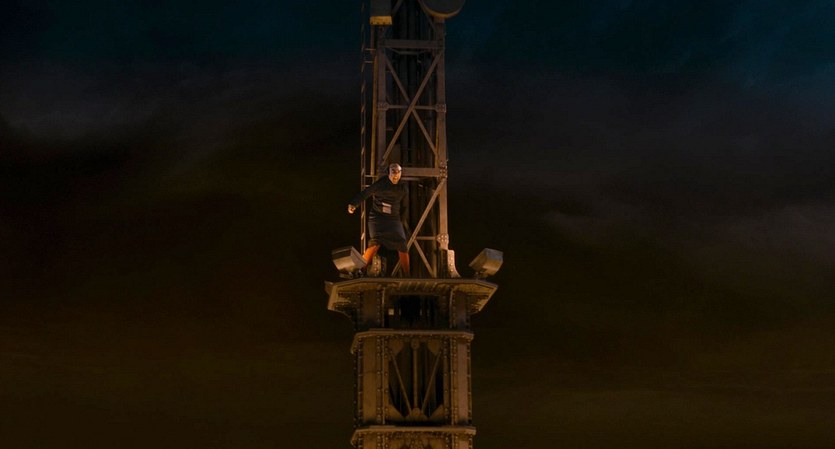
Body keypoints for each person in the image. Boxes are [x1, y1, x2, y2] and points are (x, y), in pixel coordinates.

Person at [347, 163, 410, 275]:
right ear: (388, 173)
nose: (396, 175)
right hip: (378, 217)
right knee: (376, 242)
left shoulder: (403, 187)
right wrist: (354, 204)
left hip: (393, 219)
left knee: (402, 244)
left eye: (398, 172)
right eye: (393, 172)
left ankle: (407, 274)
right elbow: (366, 193)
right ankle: (360, 270)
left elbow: (405, 206)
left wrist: (401, 220)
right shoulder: (381, 183)